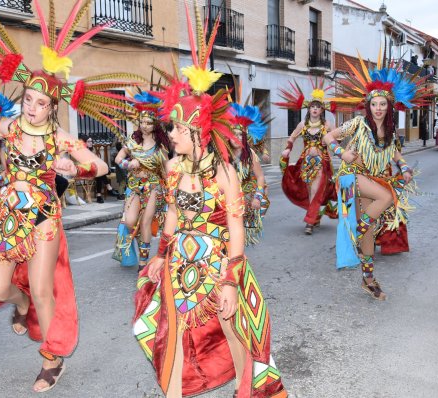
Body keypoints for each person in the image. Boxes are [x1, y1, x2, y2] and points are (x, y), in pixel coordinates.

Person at [0, 0, 140, 392]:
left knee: (45, 287)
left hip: (43, 217)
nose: (33, 107)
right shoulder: (8, 127)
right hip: (7, 215)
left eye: (41, 103)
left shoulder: (60, 137)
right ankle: (20, 304)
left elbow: (102, 166)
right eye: (28, 99)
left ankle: (51, 358)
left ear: (52, 106)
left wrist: (76, 168)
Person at [133, 5, 287, 397]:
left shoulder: (225, 173)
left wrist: (231, 282)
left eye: (179, 130)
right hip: (180, 265)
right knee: (173, 333)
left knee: (235, 333)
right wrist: (161, 254)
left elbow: (236, 229)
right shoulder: (171, 167)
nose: (173, 135)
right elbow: (170, 213)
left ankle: (245, 391)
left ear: (199, 132)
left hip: (218, 265)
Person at [325, 52, 431, 300]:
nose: (379, 109)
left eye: (383, 104)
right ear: (368, 105)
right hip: (352, 176)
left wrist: (404, 168)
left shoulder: (392, 132)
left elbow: (394, 154)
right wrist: (343, 153)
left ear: (389, 106)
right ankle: (357, 231)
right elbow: (328, 137)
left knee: (370, 233)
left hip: (372, 180)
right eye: (374, 104)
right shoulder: (358, 123)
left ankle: (368, 279)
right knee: (386, 197)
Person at [113, 91, 170, 270]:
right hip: (133, 186)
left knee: (145, 221)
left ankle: (143, 262)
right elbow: (117, 159)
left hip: (153, 186)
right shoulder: (133, 141)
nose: (145, 125)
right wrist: (128, 164)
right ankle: (139, 242)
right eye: (142, 122)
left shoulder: (161, 146)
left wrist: (171, 188)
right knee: (130, 222)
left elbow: (167, 168)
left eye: (149, 122)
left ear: (155, 124)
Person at [276, 78, 338, 235]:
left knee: (317, 189)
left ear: (322, 110)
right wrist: (287, 150)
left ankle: (309, 222)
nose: (315, 109)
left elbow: (337, 138)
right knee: (310, 190)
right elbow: (292, 138)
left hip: (322, 161)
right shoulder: (302, 125)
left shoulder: (328, 125)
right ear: (309, 110)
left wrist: (336, 141)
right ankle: (315, 216)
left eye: (318, 107)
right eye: (313, 107)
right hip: (305, 162)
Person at [229, 102, 270, 245]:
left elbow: (260, 177)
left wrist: (257, 198)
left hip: (247, 197)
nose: (237, 137)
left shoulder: (250, 153)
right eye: (234, 134)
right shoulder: (222, 154)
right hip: (229, 199)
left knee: (240, 238)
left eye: (240, 134)